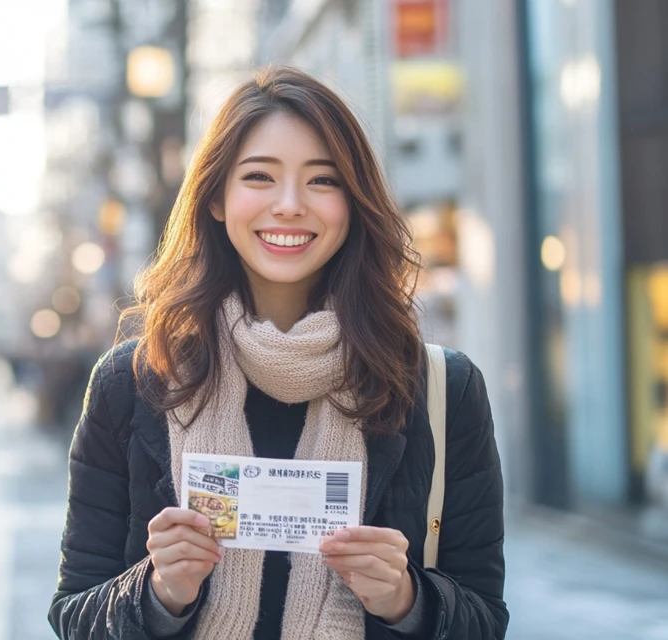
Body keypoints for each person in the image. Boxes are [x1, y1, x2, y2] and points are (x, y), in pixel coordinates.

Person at [49, 67, 508, 639]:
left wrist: (405, 599)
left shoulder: (441, 388)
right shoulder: (135, 380)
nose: (289, 205)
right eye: (260, 177)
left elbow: (485, 619)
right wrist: (161, 593)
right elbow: (73, 612)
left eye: (323, 180)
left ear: (354, 201)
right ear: (216, 197)